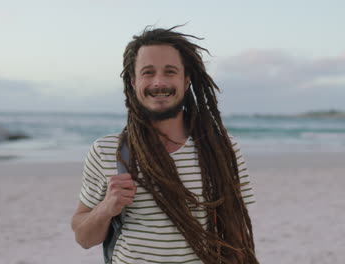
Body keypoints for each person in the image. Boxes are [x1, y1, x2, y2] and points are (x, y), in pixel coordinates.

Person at [71, 26, 259, 264]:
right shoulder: (107, 151)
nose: (159, 82)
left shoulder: (221, 149)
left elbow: (236, 233)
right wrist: (107, 207)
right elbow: (83, 238)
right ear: (133, 81)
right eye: (148, 72)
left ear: (186, 80)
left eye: (170, 72)